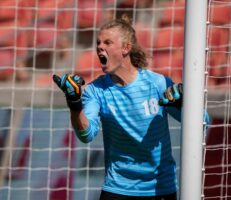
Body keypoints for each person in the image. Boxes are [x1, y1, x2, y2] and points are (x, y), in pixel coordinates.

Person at [53, 15, 210, 200]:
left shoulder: (157, 84)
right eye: (98, 43)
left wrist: (181, 104)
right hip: (118, 188)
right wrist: (74, 103)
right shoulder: (95, 91)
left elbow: (203, 122)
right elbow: (86, 135)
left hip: (160, 188)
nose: (99, 47)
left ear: (126, 48)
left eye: (108, 42)